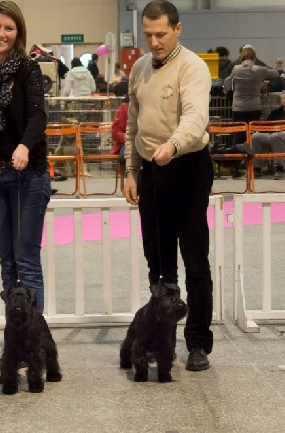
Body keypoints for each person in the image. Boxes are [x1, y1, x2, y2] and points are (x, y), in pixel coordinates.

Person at [123, 0, 214, 372]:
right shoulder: (140, 68)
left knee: (194, 262)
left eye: (161, 34)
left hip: (188, 167)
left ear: (178, 29)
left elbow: (196, 118)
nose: (154, 42)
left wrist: (173, 145)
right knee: (158, 263)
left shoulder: (193, 67)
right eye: (148, 35)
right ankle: (161, 341)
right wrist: (131, 170)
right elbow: (132, 125)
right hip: (151, 170)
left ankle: (197, 344)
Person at [0, 1, 51, 368]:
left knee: (26, 262)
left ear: (18, 34)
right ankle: (12, 348)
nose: (1, 34)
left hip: (27, 173)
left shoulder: (29, 69)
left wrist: (23, 146)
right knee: (7, 264)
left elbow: (38, 116)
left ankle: (33, 347)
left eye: (9, 28)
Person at [224, 46, 279, 149]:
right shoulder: (258, 70)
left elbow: (229, 81)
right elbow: (275, 74)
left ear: (241, 57)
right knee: (253, 134)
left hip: (238, 108)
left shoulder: (235, 69)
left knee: (238, 132)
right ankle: (252, 158)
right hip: (253, 107)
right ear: (254, 58)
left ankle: (238, 158)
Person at [251, 89, 285, 179]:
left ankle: (280, 169)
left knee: (276, 136)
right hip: (274, 136)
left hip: (279, 136)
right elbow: (267, 125)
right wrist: (259, 130)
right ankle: (256, 168)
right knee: (255, 137)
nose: (284, 100)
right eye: (283, 99)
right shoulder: (275, 113)